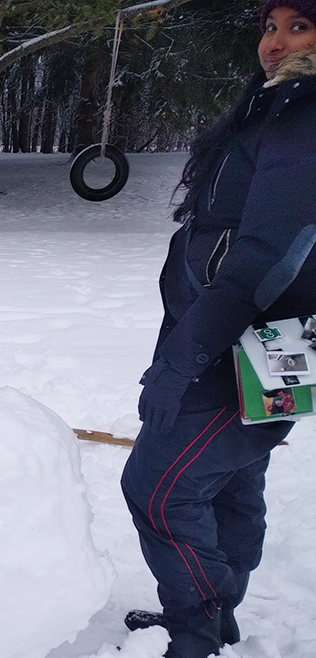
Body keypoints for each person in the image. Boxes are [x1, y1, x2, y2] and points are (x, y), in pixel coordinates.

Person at [120, 2, 316, 657]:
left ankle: (195, 629)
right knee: (230, 478)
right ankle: (211, 619)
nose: (276, 41)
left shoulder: (306, 118)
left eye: (299, 27)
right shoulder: (276, 107)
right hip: (247, 334)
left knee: (159, 487)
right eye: (270, 26)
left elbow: (266, 255)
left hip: (255, 340)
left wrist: (184, 358)